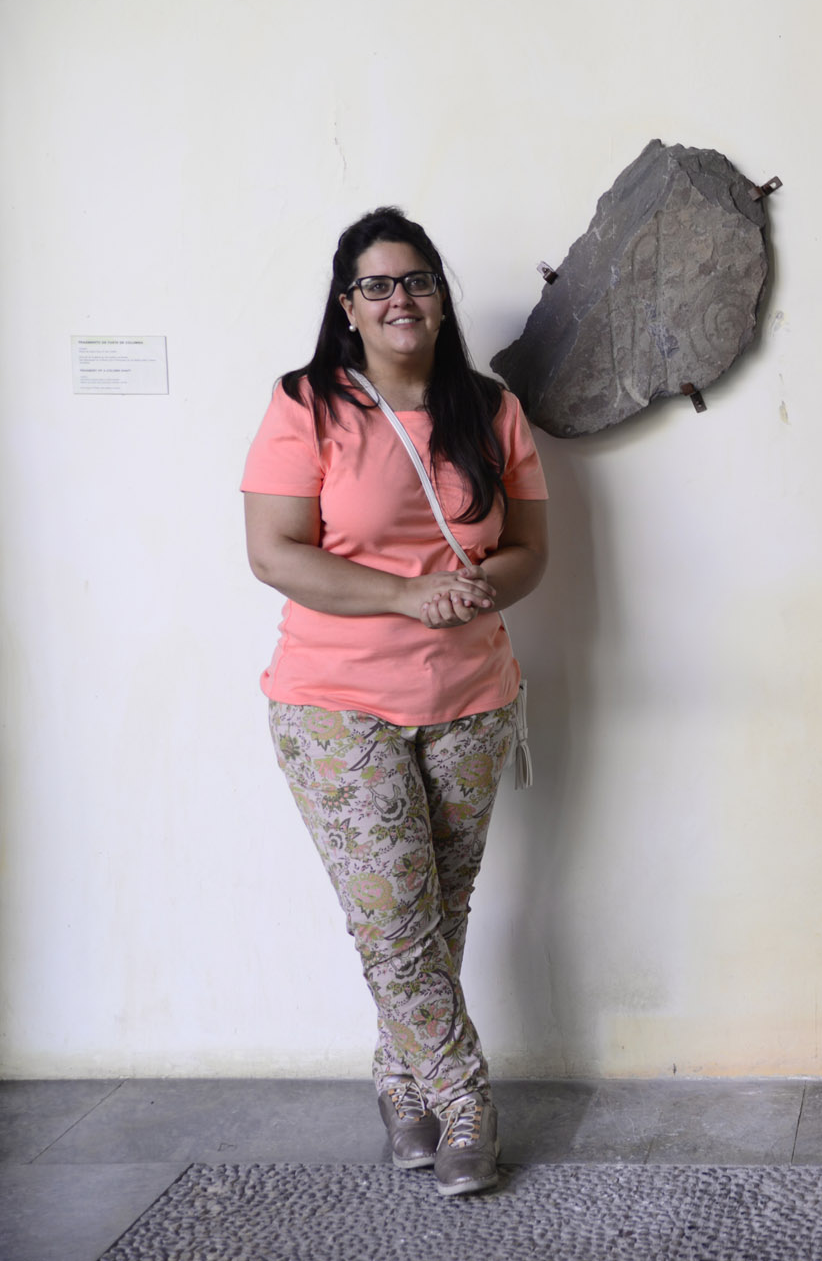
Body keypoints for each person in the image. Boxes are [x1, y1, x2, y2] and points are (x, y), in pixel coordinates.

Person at [242, 207, 548, 1196]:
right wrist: (403, 593)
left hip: (471, 693)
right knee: (390, 918)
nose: (399, 298)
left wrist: (478, 586)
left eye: (414, 279)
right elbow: (273, 551)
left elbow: (529, 551)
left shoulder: (492, 410)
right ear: (347, 306)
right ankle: (462, 1094)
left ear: (439, 294)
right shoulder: (306, 405)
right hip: (335, 698)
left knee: (432, 912)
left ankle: (397, 1079)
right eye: (376, 284)